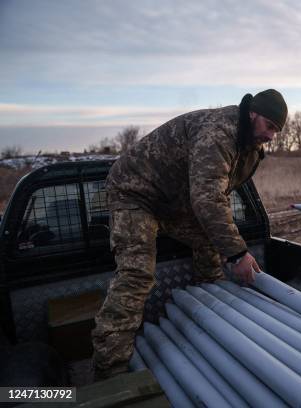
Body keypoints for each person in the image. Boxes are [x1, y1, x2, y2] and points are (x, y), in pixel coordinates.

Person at [92, 89, 288, 379]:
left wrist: (228, 245)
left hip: (174, 199)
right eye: (270, 126)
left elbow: (215, 195)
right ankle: (110, 369)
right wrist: (238, 252)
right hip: (136, 194)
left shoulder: (250, 147)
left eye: (277, 130)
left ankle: (209, 304)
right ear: (252, 114)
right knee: (136, 274)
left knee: (209, 240)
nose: (272, 135)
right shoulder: (220, 132)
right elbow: (208, 197)